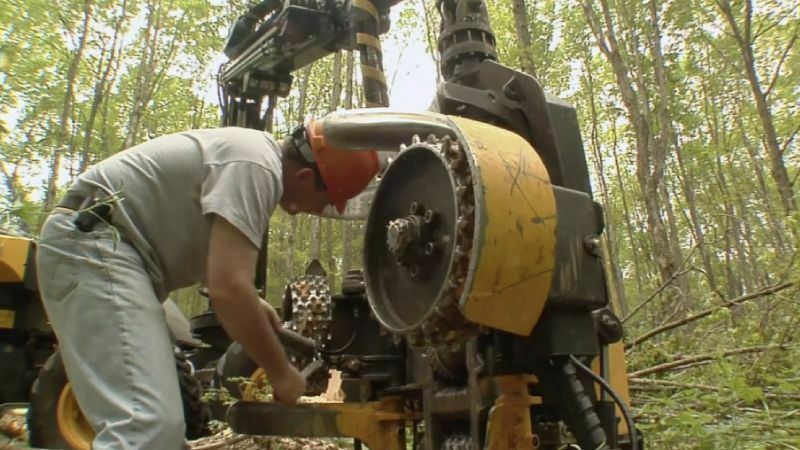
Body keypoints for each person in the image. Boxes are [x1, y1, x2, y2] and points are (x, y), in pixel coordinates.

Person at [36, 123, 379, 449]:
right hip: (96, 245)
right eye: (328, 200)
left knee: (157, 428)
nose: (321, 210)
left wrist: (251, 303)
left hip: (111, 250)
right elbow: (226, 288)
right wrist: (281, 373)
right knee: (146, 427)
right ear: (305, 177)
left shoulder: (252, 157)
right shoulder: (256, 166)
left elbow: (209, 257)